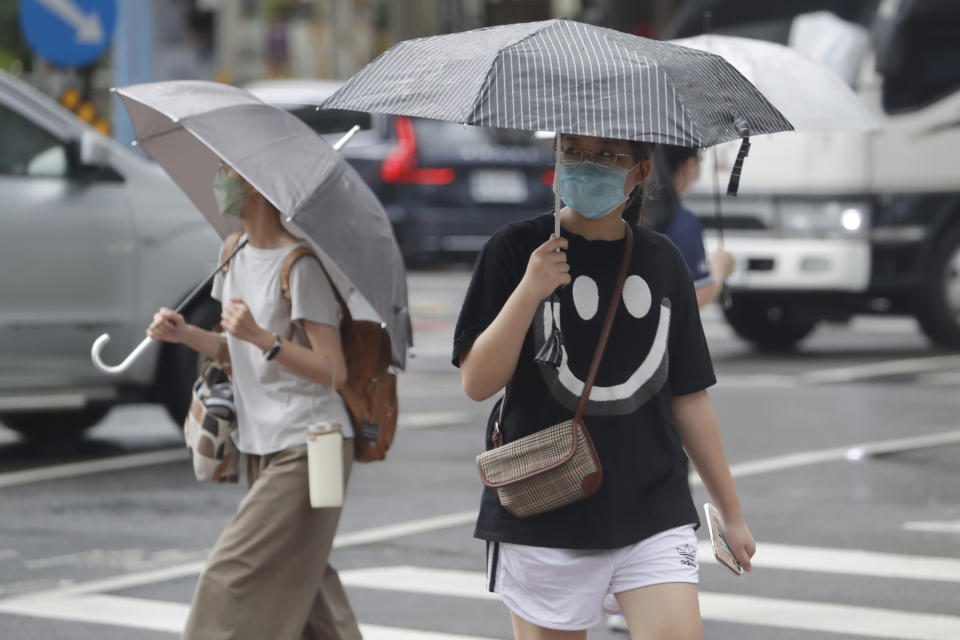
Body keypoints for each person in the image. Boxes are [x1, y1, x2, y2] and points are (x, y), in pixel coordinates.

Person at [453, 134, 756, 639]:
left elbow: (689, 397)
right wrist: (530, 289)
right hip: (544, 506)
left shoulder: (662, 261)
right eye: (572, 151)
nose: (586, 166)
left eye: (606, 156)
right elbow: (477, 382)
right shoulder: (513, 250)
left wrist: (733, 513)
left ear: (639, 172)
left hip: (653, 507)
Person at [146, 161, 362, 640]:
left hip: (309, 446)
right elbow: (232, 350)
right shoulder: (233, 251)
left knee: (230, 573)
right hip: (260, 442)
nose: (218, 181)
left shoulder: (299, 266)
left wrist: (263, 338)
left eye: (227, 172)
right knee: (308, 580)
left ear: (257, 188)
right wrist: (186, 336)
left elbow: (334, 369)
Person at [650, 145, 735, 310]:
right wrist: (718, 270)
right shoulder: (682, 224)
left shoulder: (624, 212)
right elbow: (693, 298)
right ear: (690, 166)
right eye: (700, 161)